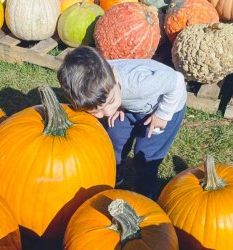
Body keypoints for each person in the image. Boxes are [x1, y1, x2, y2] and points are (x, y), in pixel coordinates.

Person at [57, 46, 187, 200]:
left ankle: (145, 194)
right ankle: (114, 178)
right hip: (131, 106)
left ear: (115, 77)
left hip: (164, 107)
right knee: (114, 140)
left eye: (110, 101)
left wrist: (163, 114)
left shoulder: (139, 83)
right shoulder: (103, 83)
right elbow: (106, 104)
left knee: (146, 155)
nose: (106, 113)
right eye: (95, 112)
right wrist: (117, 105)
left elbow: (177, 81)